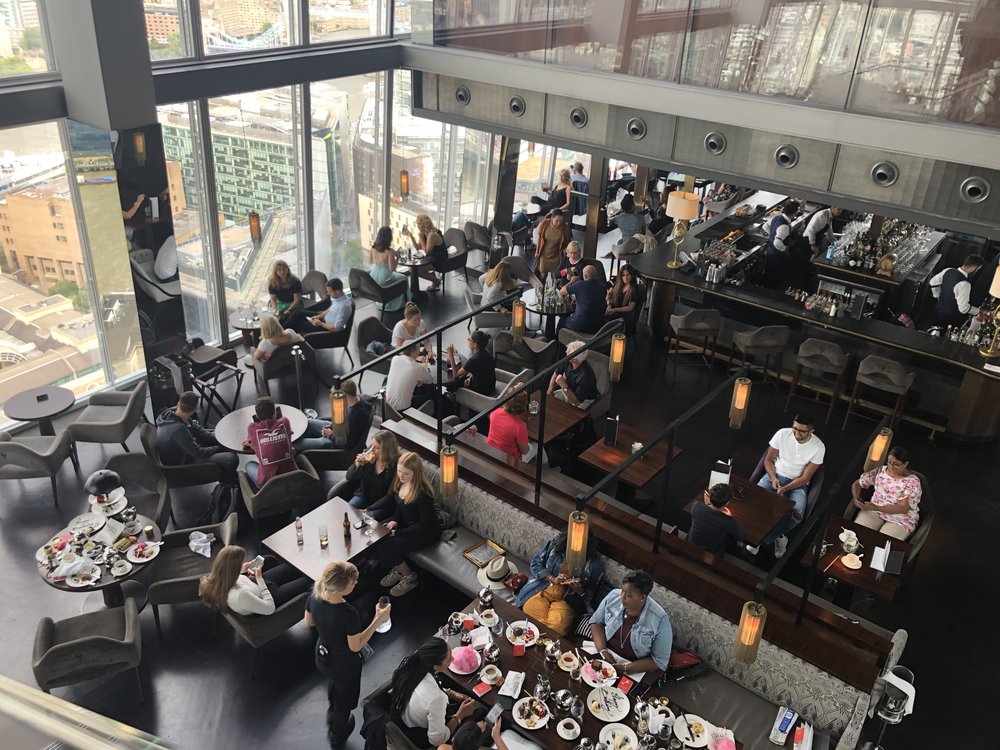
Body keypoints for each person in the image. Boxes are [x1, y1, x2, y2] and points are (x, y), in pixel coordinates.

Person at [305, 561, 391, 748]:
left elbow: (308, 622)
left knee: (335, 684)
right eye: (353, 583)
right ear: (342, 588)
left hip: (323, 656)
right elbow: (356, 646)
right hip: (344, 665)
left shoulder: (314, 594)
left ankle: (332, 710)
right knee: (344, 705)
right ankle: (337, 734)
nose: (356, 584)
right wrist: (378, 620)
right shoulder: (348, 614)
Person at [751, 413, 826, 558]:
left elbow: (805, 477)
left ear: (811, 431)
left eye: (801, 431)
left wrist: (785, 488)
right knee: (754, 499)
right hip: (775, 475)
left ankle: (761, 540)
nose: (796, 434)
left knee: (797, 516)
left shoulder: (818, 447)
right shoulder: (782, 434)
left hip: (798, 483)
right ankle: (774, 536)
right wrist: (773, 478)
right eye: (794, 428)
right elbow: (768, 460)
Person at [375, 451, 442, 597]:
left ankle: (410, 578)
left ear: (416, 473)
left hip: (426, 532)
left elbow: (425, 525)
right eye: (399, 471)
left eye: (405, 473)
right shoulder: (401, 484)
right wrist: (395, 521)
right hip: (409, 525)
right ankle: (399, 570)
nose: (400, 475)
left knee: (387, 547)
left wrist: (397, 533)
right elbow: (399, 507)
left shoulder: (422, 495)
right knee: (377, 533)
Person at [391, 637, 477, 749]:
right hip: (419, 735)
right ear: (436, 666)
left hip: (404, 715)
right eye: (448, 659)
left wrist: (450, 693)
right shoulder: (436, 699)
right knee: (478, 714)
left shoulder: (413, 665)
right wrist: (460, 714)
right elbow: (437, 740)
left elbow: (424, 692)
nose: (453, 658)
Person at [515, 531, 604, 636]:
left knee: (557, 627)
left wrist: (580, 591)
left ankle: (534, 632)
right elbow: (535, 563)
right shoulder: (556, 545)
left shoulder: (595, 564)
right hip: (542, 590)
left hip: (566, 600)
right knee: (529, 609)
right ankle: (540, 634)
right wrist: (552, 578)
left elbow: (592, 594)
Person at [589, 570, 671, 683]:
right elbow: (596, 622)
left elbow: (659, 660)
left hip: (636, 665)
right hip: (606, 651)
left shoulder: (659, 619)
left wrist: (625, 668)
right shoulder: (614, 596)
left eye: (628, 595)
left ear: (642, 597)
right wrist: (603, 651)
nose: (622, 596)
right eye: (622, 590)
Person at [198, 544, 311, 616]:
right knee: (308, 581)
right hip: (270, 595)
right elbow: (270, 609)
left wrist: (243, 572)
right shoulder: (240, 596)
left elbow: (239, 582)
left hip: (255, 583)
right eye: (239, 564)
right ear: (232, 570)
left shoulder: (219, 578)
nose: (242, 563)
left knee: (291, 567)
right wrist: (259, 579)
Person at [155, 391, 237, 481]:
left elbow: (200, 432)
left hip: (186, 449)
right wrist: (222, 447)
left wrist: (224, 441)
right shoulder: (177, 430)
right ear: (194, 410)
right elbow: (199, 453)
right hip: (181, 462)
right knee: (231, 459)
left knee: (221, 438)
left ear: (178, 404)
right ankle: (228, 483)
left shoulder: (175, 413)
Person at [851, 446, 922, 540]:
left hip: (900, 518)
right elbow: (857, 483)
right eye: (889, 462)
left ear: (905, 464)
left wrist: (875, 507)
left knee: (882, 542)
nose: (891, 467)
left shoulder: (912, 482)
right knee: (857, 534)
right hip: (875, 511)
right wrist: (856, 498)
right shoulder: (880, 471)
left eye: (896, 464)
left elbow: (903, 508)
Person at [295, 380, 373, 452]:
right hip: (338, 431)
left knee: (298, 445)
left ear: (345, 396)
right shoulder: (360, 399)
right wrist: (331, 427)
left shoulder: (354, 417)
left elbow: (347, 444)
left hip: (337, 443)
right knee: (307, 422)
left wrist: (330, 435)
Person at [342, 430, 400, 521]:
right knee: (349, 513)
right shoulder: (369, 454)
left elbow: (389, 496)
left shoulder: (396, 467)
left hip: (382, 504)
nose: (372, 449)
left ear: (387, 450)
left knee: (367, 519)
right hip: (364, 495)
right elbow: (348, 477)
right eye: (371, 445)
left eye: (376, 447)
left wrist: (369, 509)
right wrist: (357, 464)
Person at [242, 396, 297, 489]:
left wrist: (252, 444)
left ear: (258, 416)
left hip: (269, 486)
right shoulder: (285, 421)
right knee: (292, 451)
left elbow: (249, 441)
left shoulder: (252, 428)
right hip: (293, 477)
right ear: (274, 412)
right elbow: (289, 432)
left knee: (249, 465)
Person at [929, 254, 984, 328]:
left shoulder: (948, 270)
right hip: (950, 319)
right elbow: (963, 309)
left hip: (938, 310)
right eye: (978, 269)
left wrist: (938, 297)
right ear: (974, 267)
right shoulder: (964, 284)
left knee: (933, 331)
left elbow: (933, 282)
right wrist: (979, 311)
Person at [688, 484, 743, 556]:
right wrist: (730, 517)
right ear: (727, 502)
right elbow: (740, 536)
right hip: (710, 552)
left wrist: (707, 504)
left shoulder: (696, 506)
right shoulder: (729, 521)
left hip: (691, 543)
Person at [385, 342, 437, 412]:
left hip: (387, 406)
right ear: (414, 352)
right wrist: (425, 363)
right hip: (403, 409)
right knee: (436, 395)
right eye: (418, 349)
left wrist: (417, 379)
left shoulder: (395, 359)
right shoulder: (418, 367)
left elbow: (403, 373)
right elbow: (431, 380)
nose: (420, 350)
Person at [547, 341, 600, 408]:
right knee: (548, 403)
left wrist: (563, 385)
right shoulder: (568, 360)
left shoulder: (586, 376)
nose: (566, 351)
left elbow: (577, 402)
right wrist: (549, 392)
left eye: (568, 352)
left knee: (570, 416)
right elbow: (557, 372)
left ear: (574, 359)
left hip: (583, 400)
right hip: (568, 390)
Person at [486, 389, 531, 466]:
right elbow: (524, 451)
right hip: (509, 460)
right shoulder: (520, 425)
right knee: (537, 447)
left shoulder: (494, 413)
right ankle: (546, 466)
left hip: (491, 451)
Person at [369, 225, 409, 312]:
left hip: (374, 275)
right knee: (404, 278)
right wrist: (397, 257)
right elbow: (392, 269)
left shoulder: (373, 248)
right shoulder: (389, 251)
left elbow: (370, 261)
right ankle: (404, 303)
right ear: (389, 238)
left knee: (398, 277)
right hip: (385, 277)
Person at [403, 214, 446, 291]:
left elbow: (427, 251)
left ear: (425, 224)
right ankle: (434, 278)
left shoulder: (432, 234)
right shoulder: (424, 233)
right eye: (417, 224)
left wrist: (421, 237)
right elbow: (418, 248)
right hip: (431, 257)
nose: (418, 226)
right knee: (411, 269)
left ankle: (436, 281)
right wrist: (411, 236)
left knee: (416, 271)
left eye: (419, 224)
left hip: (439, 259)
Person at [560, 264, 607, 334]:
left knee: (562, 319)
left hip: (580, 325)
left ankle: (558, 342)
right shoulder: (603, 288)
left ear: (585, 276)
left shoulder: (580, 284)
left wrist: (572, 281)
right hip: (597, 326)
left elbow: (562, 292)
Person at [763, 200, 800, 290]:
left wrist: (772, 234)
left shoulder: (777, 217)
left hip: (770, 251)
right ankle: (770, 293)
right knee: (774, 276)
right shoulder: (785, 226)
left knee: (768, 273)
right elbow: (777, 242)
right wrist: (785, 249)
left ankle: (765, 290)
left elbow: (765, 226)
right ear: (794, 214)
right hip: (777, 255)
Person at [446, 331, 496, 396]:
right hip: (490, 387)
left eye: (469, 339)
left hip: (482, 391)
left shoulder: (473, 360)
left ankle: (454, 400)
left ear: (475, 344)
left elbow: (456, 374)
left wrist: (450, 355)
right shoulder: (487, 354)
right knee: (463, 378)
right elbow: (482, 371)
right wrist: (470, 378)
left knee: (451, 385)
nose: (467, 340)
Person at [267, 259, 304, 325]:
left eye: (284, 269)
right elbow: (273, 300)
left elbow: (297, 299)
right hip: (280, 303)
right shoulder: (272, 283)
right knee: (275, 315)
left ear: (287, 269)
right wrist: (275, 310)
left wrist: (289, 309)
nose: (282, 272)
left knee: (289, 315)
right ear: (275, 272)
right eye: (279, 270)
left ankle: (284, 328)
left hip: (293, 303)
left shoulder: (295, 281)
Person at [535, 209, 569, 278]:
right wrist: (537, 251)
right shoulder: (544, 224)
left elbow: (566, 243)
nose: (559, 223)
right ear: (552, 218)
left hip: (556, 255)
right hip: (544, 255)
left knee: (555, 275)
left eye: (561, 221)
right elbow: (539, 239)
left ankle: (553, 287)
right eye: (556, 221)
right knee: (542, 275)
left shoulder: (564, 227)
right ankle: (542, 287)